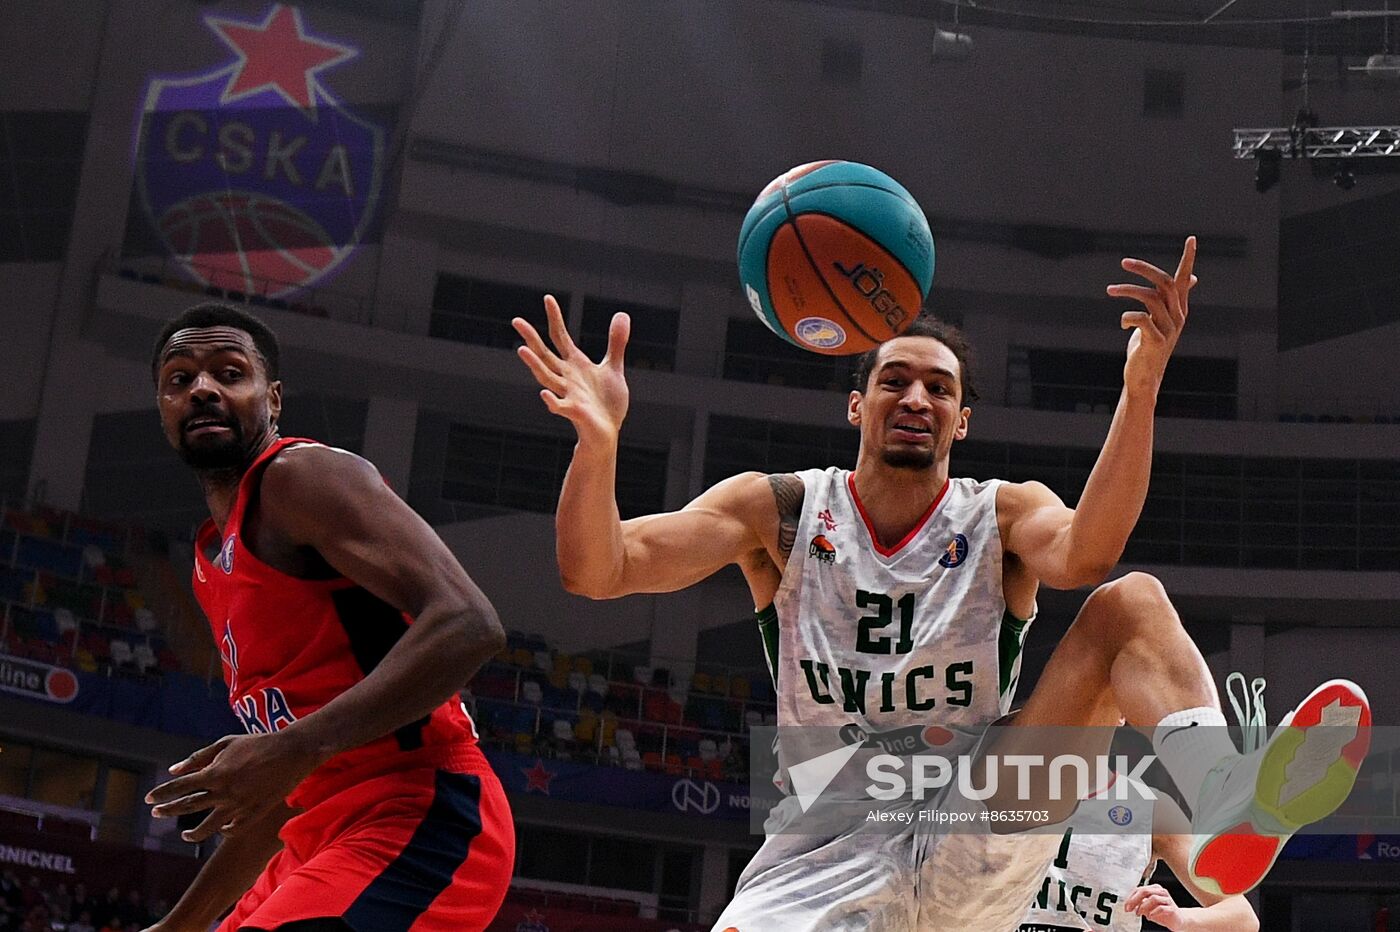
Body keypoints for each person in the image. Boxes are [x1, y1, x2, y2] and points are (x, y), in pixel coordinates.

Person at [512, 238, 1369, 930]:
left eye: (940, 388)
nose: (916, 396)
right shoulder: (777, 512)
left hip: (984, 816)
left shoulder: (998, 516)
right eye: (893, 379)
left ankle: (1222, 796)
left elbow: (1087, 553)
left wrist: (1140, 387)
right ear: (857, 405)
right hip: (828, 840)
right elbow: (598, 569)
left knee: (1128, 603)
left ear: (964, 419)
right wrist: (598, 444)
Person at [143, 304, 515, 932]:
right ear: (163, 409)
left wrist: (294, 746)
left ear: (274, 398)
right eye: (179, 380)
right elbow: (284, 783)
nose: (201, 388)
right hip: (317, 831)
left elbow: (470, 623)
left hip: (421, 810)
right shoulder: (211, 559)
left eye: (229, 373)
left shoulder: (300, 477)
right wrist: (178, 925)